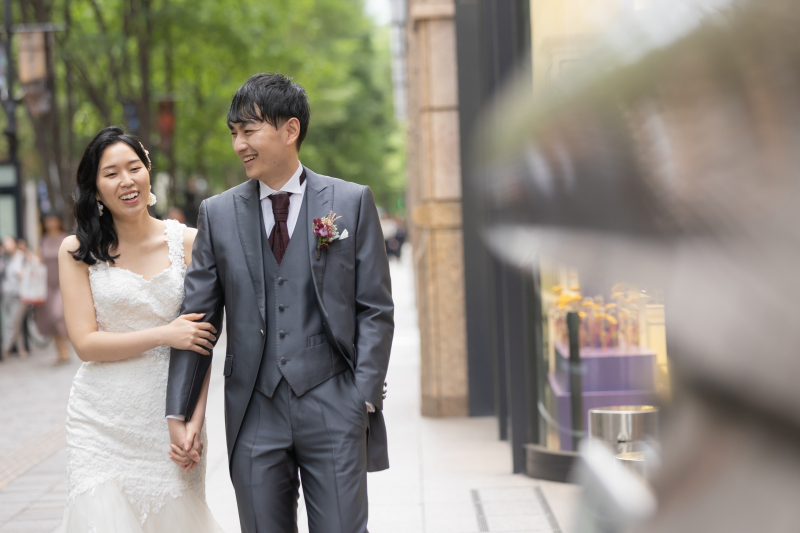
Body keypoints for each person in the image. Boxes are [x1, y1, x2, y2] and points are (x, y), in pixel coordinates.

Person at [166, 72, 394, 532]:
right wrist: (180, 410)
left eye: (249, 131)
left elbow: (375, 308)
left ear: (290, 130)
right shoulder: (217, 214)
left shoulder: (351, 202)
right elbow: (198, 319)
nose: (239, 145)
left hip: (334, 403)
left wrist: (363, 398)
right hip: (254, 407)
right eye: (234, 133)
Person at [58, 127, 223, 532]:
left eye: (134, 168)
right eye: (111, 173)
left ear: (148, 171)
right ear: (96, 188)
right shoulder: (77, 251)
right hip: (99, 420)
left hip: (168, 415)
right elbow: (85, 344)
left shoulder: (189, 243)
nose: (126, 180)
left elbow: (201, 342)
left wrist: (193, 422)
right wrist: (164, 334)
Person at [35, 213, 71, 364]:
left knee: (58, 315)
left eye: (53, 220)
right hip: (47, 285)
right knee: (50, 318)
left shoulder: (66, 238)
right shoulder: (42, 240)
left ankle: (66, 351)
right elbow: (38, 261)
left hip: (62, 283)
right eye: (48, 221)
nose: (50, 223)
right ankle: (60, 352)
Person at [1, 236, 30, 361]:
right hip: (7, 295)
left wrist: (24, 274)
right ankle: (21, 349)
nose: (7, 246)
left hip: (20, 295)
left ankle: (4, 350)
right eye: (5, 244)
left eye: (9, 243)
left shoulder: (22, 256)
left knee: (13, 323)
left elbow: (35, 266)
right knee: (14, 323)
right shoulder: (5, 259)